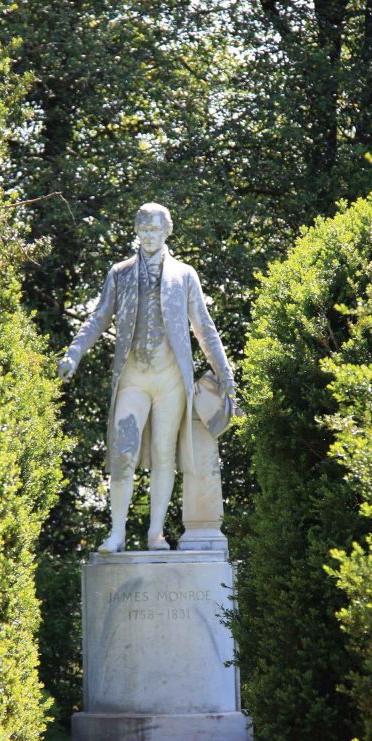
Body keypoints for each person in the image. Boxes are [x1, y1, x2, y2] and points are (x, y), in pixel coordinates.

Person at [58, 202, 235, 553]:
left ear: (167, 232)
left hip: (170, 379)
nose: (149, 236)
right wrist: (74, 353)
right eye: (143, 229)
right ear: (136, 231)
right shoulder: (120, 273)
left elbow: (204, 328)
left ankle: (156, 533)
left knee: (163, 453)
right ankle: (117, 532)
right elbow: (97, 318)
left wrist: (224, 372)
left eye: (155, 230)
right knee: (123, 450)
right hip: (133, 377)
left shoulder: (184, 275)